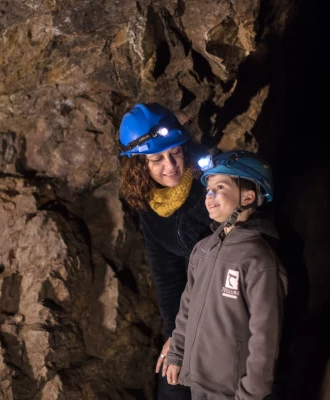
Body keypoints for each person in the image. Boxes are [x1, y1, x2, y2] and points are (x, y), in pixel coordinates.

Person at [165, 150, 288, 400]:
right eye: (207, 190)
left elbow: (265, 334)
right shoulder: (202, 250)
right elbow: (186, 308)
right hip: (197, 379)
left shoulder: (258, 259)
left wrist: (251, 393)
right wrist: (177, 353)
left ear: (248, 196)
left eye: (219, 187)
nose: (209, 196)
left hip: (232, 390)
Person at [119, 103, 212, 399]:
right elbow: (166, 272)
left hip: (228, 307)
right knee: (172, 385)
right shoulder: (149, 205)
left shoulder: (211, 186)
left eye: (175, 153)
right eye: (156, 159)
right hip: (190, 312)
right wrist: (175, 334)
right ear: (139, 166)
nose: (170, 166)